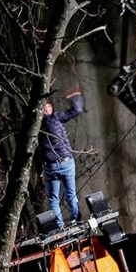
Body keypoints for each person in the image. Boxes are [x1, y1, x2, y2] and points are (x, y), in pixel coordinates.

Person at [39, 85, 85, 228]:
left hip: (51, 166)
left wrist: (39, 170)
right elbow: (77, 109)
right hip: (65, 162)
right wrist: (75, 95)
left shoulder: (37, 127)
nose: (46, 111)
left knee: (53, 199)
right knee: (70, 194)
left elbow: (37, 152)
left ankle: (60, 227)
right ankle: (76, 221)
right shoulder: (56, 117)